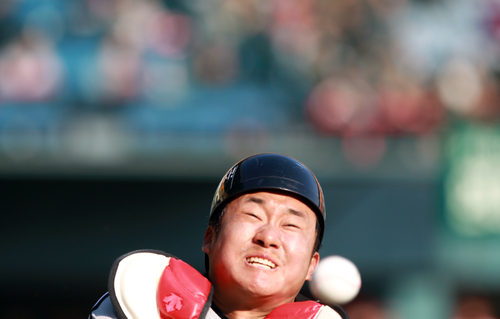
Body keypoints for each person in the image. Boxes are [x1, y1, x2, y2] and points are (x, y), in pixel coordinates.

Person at [89, 153, 350, 319]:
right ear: (210, 238)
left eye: (291, 225)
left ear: (312, 265)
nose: (268, 236)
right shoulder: (142, 301)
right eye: (253, 215)